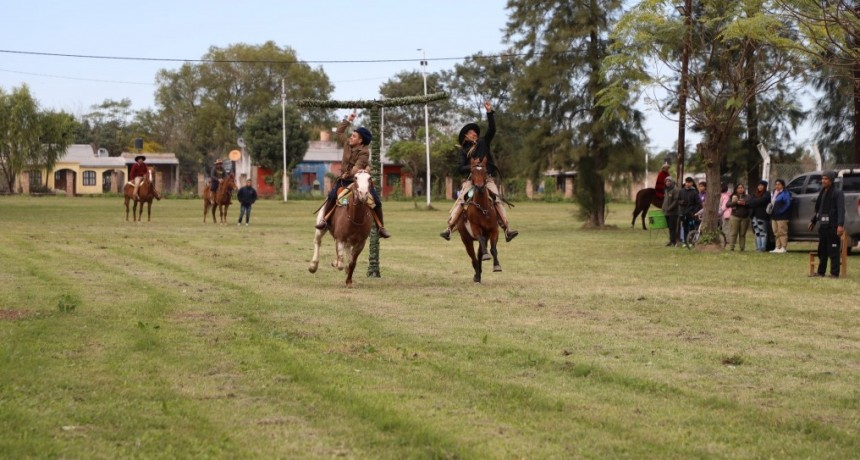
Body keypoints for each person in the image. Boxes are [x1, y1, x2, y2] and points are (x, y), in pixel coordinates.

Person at [439, 101, 518, 242]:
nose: (474, 133)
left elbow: (492, 130)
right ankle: (449, 228)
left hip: (487, 180)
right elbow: (460, 168)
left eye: (475, 132)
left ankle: (507, 228)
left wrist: (489, 112)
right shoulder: (463, 151)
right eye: (471, 132)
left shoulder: (483, 142)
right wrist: (474, 168)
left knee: (497, 199)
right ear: (466, 136)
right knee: (462, 200)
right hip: (472, 182)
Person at [315, 112, 390, 238]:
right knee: (332, 196)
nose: (351, 137)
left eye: (354, 136)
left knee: (376, 201)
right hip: (344, 181)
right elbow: (339, 132)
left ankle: (380, 227)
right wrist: (348, 120)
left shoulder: (364, 152)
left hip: (359, 181)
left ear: (360, 141)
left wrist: (348, 174)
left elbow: (357, 168)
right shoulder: (347, 143)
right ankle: (325, 220)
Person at [808, 171, 845, 277]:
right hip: (823, 226)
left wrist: (840, 225)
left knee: (833, 250)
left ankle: (834, 273)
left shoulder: (838, 193)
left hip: (833, 226)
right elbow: (819, 209)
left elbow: (841, 210)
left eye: (826, 179)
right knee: (822, 250)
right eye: (822, 178)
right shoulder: (822, 192)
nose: (823, 181)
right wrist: (813, 221)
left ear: (831, 180)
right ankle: (821, 272)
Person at [746, 180, 771, 252]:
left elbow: (762, 201)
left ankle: (763, 247)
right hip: (754, 216)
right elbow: (749, 203)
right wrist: (756, 201)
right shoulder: (755, 194)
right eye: (759, 185)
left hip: (762, 216)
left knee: (763, 232)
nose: (760, 187)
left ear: (765, 187)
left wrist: (755, 202)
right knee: (757, 232)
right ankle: (758, 247)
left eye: (762, 185)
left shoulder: (767, 194)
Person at [726, 183, 751, 251]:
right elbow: (727, 205)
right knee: (733, 233)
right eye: (739, 188)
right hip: (735, 216)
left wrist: (744, 203)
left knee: (742, 233)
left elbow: (751, 204)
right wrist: (736, 202)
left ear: (744, 189)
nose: (740, 189)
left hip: (745, 217)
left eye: (742, 188)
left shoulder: (747, 196)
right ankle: (732, 247)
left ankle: (742, 248)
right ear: (736, 189)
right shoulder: (733, 196)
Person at [678, 176, 702, 247]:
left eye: (689, 182)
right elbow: (678, 200)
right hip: (683, 213)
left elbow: (698, 204)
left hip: (691, 213)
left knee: (691, 227)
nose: (687, 184)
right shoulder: (681, 191)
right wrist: (681, 202)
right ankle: (685, 242)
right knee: (685, 227)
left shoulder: (694, 192)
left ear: (692, 183)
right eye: (686, 182)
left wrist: (694, 211)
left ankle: (691, 242)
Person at [769, 178, 791, 253]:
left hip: (782, 216)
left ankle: (783, 247)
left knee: (782, 231)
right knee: (776, 232)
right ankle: (777, 246)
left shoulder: (785, 193)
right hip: (774, 215)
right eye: (776, 184)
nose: (777, 186)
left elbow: (787, 204)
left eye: (779, 184)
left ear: (783, 185)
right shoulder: (774, 193)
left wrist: (781, 211)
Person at [662, 176, 680, 247]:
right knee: (669, 227)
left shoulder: (675, 190)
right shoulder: (666, 190)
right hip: (667, 212)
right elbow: (665, 200)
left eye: (669, 181)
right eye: (666, 181)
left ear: (672, 182)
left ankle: (674, 241)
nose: (668, 183)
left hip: (673, 212)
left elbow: (676, 201)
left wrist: (669, 208)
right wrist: (663, 208)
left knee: (673, 227)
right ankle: (671, 241)